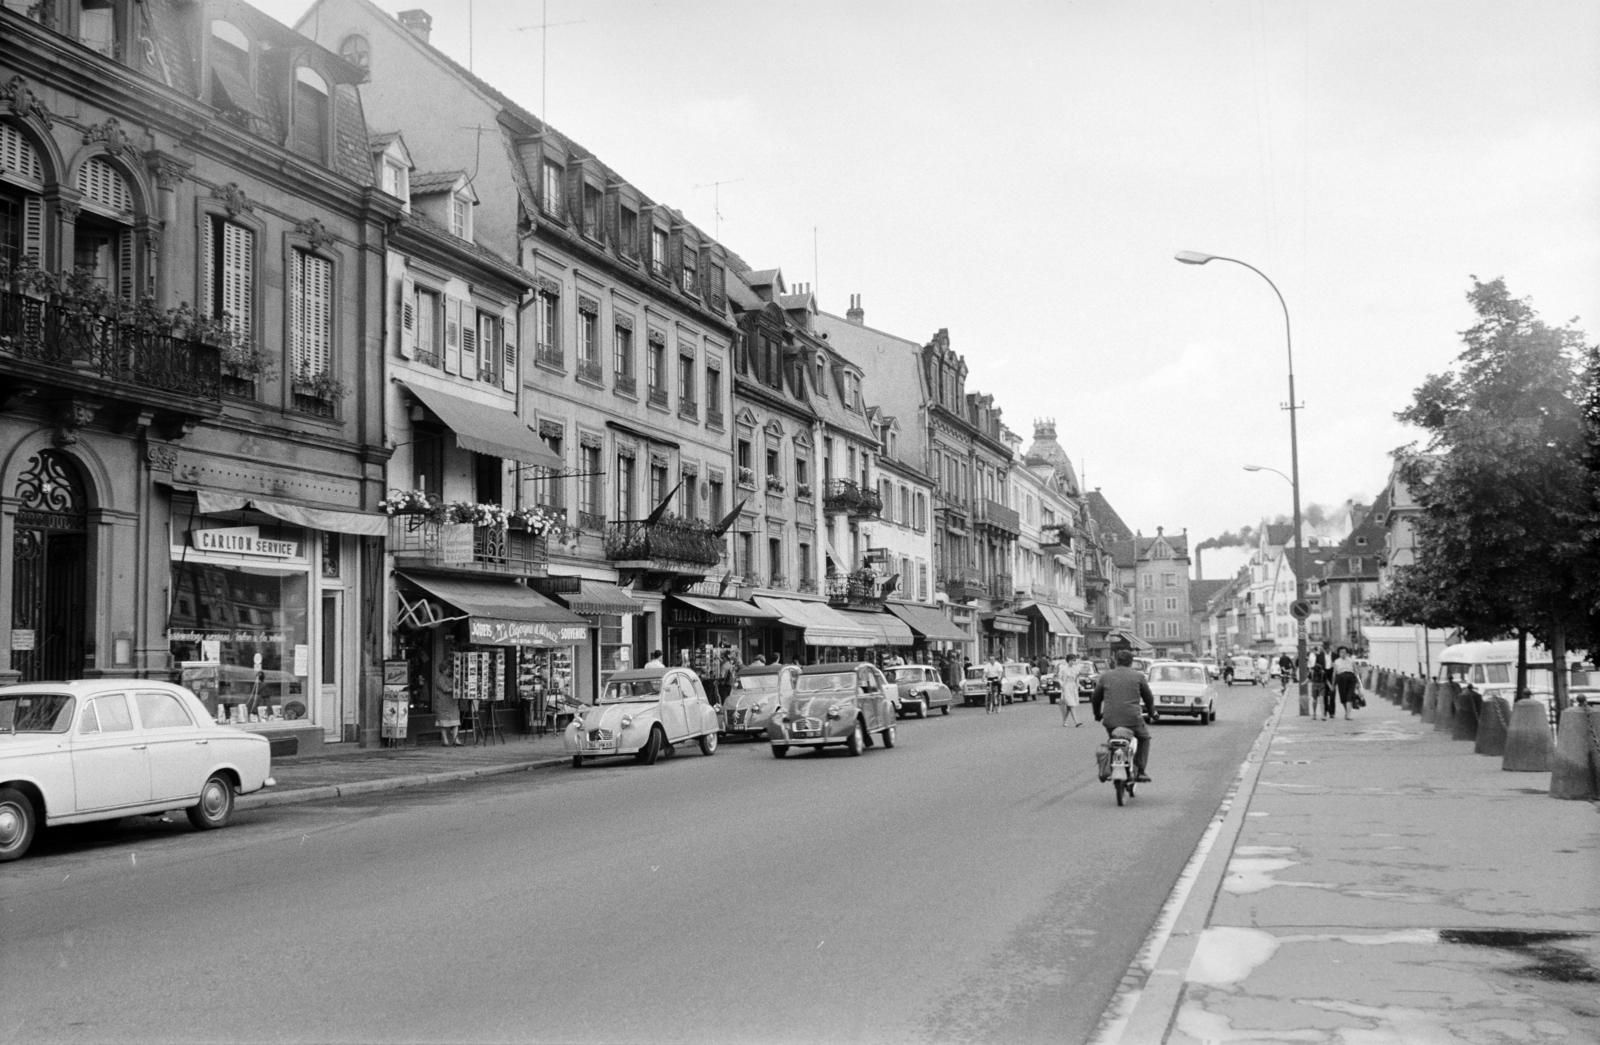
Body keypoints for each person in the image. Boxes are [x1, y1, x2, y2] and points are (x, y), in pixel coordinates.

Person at [1093, 649, 1154, 781]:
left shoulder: (1105, 677)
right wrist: (1151, 712)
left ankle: (1110, 764)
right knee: (1144, 738)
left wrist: (1097, 715)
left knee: (1113, 740)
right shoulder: (1138, 677)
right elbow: (1148, 698)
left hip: (1110, 720)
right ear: (1131, 662)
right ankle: (1141, 770)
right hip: (1133, 720)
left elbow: (1096, 698)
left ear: (1115, 661)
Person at [431, 640, 462, 746]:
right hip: (443, 704)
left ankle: (455, 739)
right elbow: (445, 689)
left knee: (455, 722)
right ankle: (445, 740)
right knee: (443, 723)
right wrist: (455, 688)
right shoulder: (440, 679)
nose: (450, 671)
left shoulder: (452, 678)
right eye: (448, 669)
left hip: (452, 704)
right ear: (444, 669)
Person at [1333, 646, 1360, 719]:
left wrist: (1358, 682)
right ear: (1339, 653)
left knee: (1349, 696)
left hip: (1351, 678)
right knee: (1343, 698)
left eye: (1344, 652)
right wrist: (1333, 684)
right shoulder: (1336, 661)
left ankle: (1348, 715)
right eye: (1341, 652)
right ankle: (1347, 711)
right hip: (1341, 678)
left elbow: (1356, 671)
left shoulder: (1351, 660)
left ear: (1347, 653)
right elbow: (1334, 673)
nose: (1343, 654)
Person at [1057, 655, 1082, 726]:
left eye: (1074, 660)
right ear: (1068, 660)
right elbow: (1059, 678)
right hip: (1066, 687)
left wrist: (1078, 685)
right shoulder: (1063, 668)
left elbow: (1077, 678)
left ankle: (1064, 722)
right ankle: (1076, 722)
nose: (1073, 662)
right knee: (1071, 704)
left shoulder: (1075, 668)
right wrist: (1062, 686)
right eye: (1071, 660)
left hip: (1073, 688)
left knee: (1068, 706)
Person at [1310, 649, 1330, 720]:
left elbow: (1326, 680)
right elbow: (1309, 678)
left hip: (1321, 685)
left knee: (1321, 700)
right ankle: (1314, 713)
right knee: (1315, 700)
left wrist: (1330, 686)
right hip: (1315, 685)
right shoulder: (1313, 671)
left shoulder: (1322, 672)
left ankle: (1322, 715)